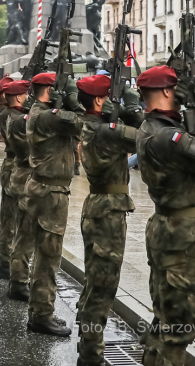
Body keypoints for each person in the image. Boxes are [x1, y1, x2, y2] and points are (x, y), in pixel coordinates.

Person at [135, 65, 195, 366]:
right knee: (179, 327)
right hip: (184, 235)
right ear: (168, 92)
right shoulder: (169, 137)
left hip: (166, 227)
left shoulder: (149, 128)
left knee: (164, 317)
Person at [75, 75, 143, 366]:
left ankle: (87, 341)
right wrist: (134, 106)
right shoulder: (106, 132)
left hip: (96, 206)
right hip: (108, 214)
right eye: (109, 97)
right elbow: (146, 137)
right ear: (100, 101)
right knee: (103, 288)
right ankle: (91, 353)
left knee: (94, 282)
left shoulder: (91, 126)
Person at [23, 71, 84, 336]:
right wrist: (73, 100)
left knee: (43, 254)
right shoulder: (47, 116)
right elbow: (82, 123)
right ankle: (41, 315)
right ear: (50, 90)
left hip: (44, 188)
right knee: (48, 256)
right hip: (50, 193)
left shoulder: (41, 113)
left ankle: (39, 310)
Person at [7, 80, 37, 303]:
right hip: (23, 178)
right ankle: (18, 281)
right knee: (23, 235)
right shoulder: (18, 121)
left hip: (22, 178)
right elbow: (30, 153)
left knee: (22, 233)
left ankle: (18, 278)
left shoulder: (19, 118)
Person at [0, 76, 16, 279]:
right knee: (10, 221)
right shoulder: (8, 114)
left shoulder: (7, 113)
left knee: (9, 220)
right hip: (14, 168)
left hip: (12, 167)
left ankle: (4, 262)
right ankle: (5, 264)